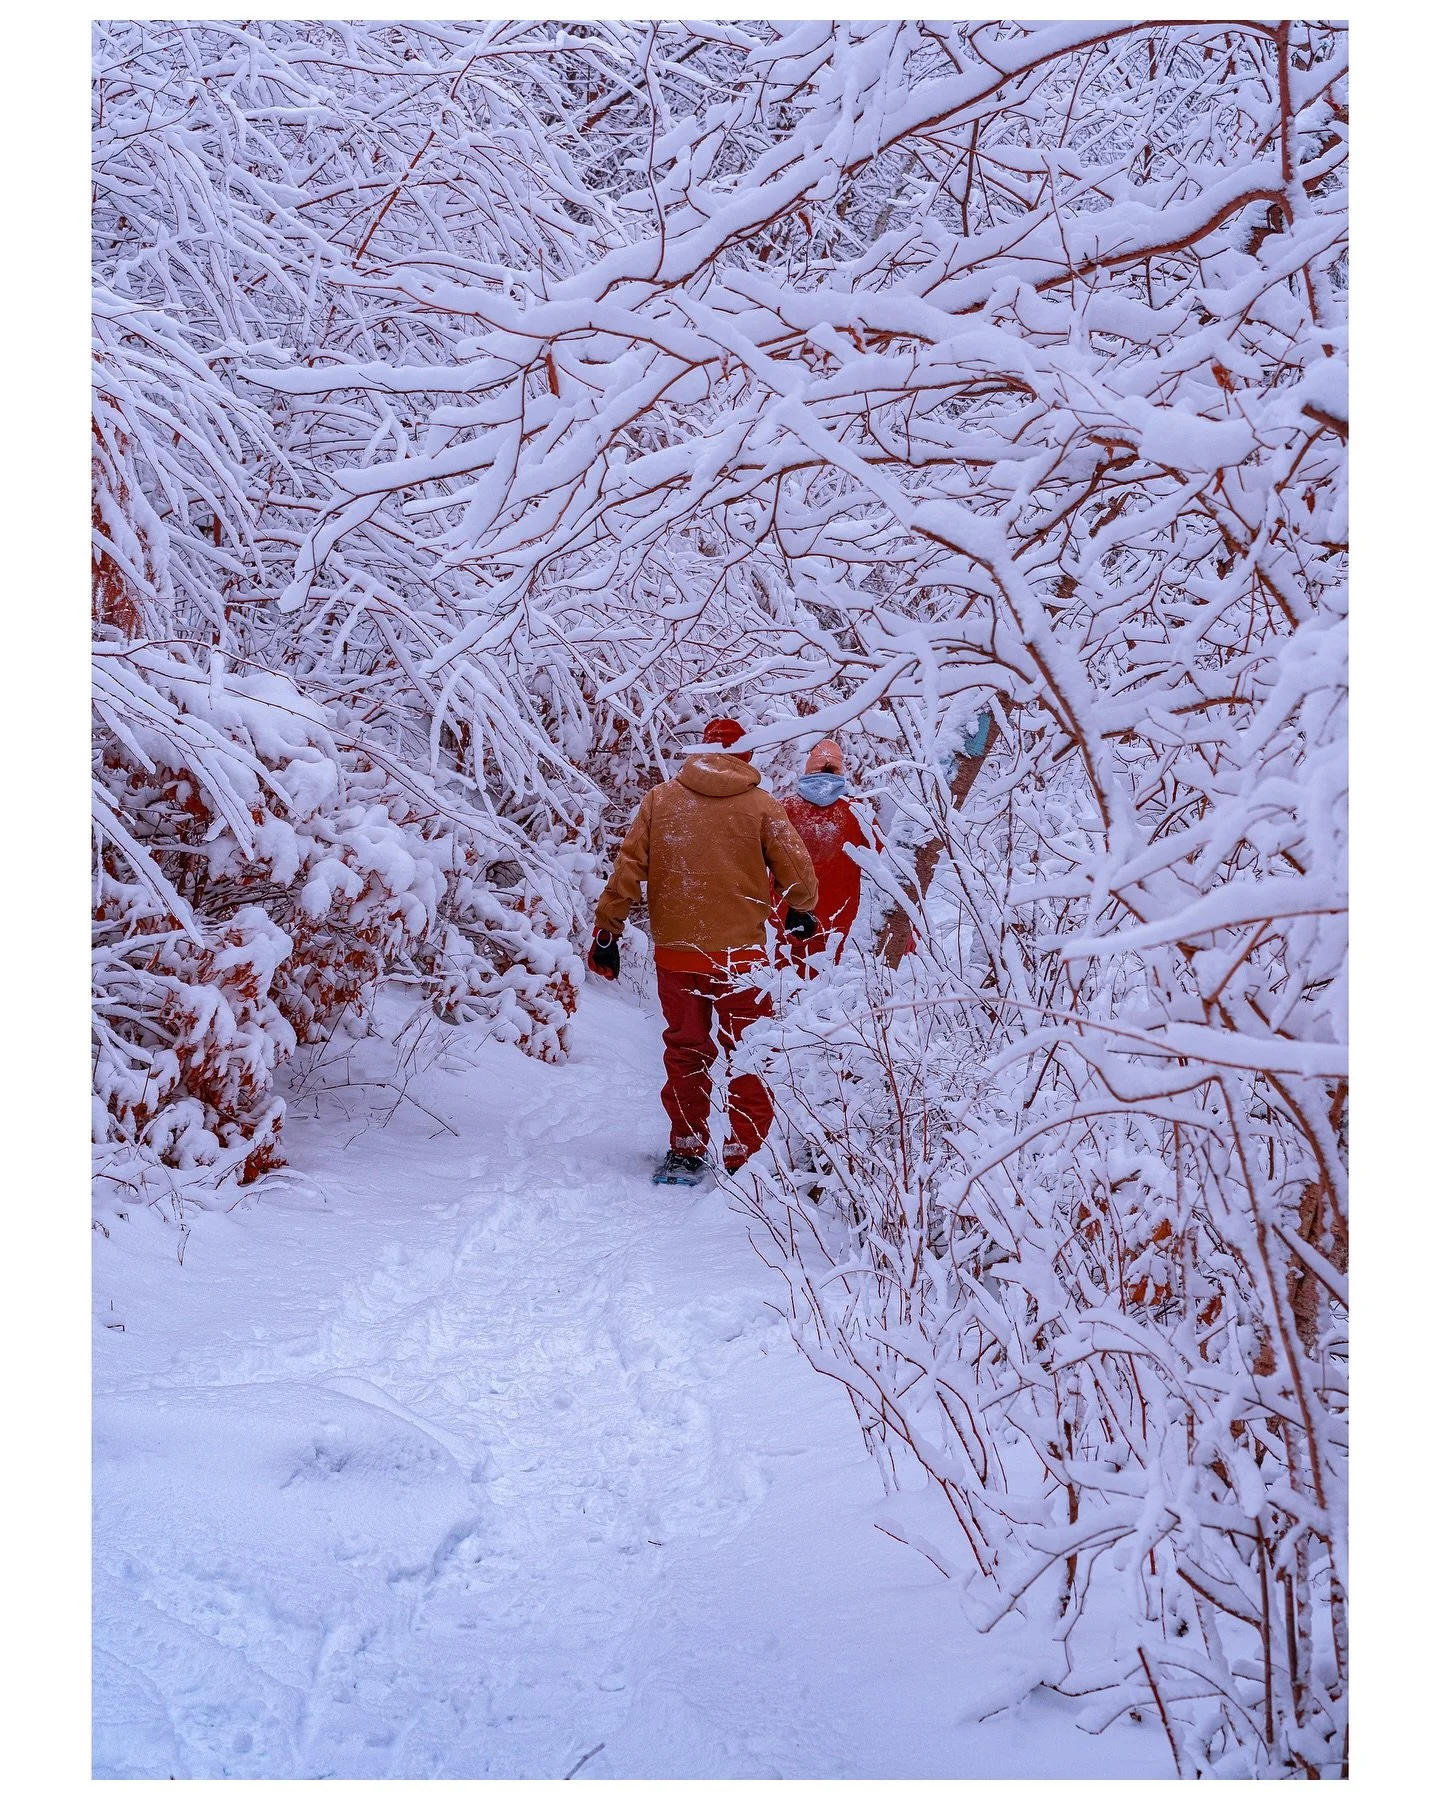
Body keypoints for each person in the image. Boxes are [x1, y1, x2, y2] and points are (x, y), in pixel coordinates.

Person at [587, 718, 820, 1184]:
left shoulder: (661, 800)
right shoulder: (761, 805)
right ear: (747, 754)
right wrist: (801, 907)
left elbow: (628, 868)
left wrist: (608, 929)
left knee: (685, 1049)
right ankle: (745, 1152)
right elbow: (797, 872)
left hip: (676, 954)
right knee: (748, 1051)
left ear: (700, 751)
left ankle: (686, 1147)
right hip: (741, 960)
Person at [775, 738, 875, 973]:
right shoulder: (857, 812)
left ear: (808, 770)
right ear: (840, 772)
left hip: (787, 911)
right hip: (840, 916)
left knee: (785, 975)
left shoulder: (783, 809)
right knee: (829, 978)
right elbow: (881, 862)